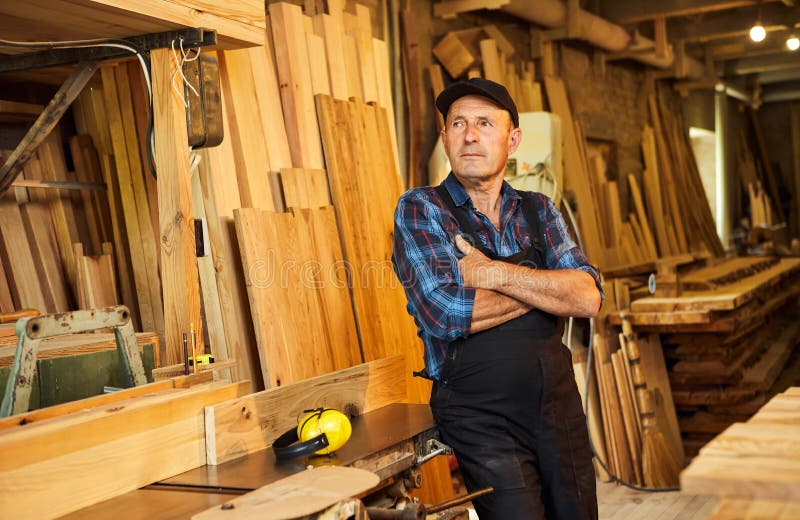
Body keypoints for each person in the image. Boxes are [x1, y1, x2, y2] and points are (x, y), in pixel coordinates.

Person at [391, 78, 602, 520]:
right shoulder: (421, 209)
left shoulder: (539, 209)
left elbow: (588, 298)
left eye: (485, 123)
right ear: (445, 138)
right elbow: (448, 313)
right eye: (458, 124)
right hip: (480, 416)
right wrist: (547, 286)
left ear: (513, 139)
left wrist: (492, 273)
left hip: (557, 406)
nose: (470, 135)